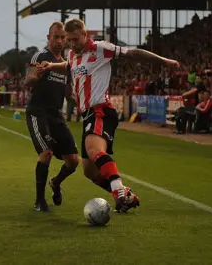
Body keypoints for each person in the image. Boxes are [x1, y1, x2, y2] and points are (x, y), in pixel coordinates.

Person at [37, 19, 179, 213]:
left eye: (75, 39)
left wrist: (164, 61)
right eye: (69, 40)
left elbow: (133, 53)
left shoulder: (101, 48)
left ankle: (119, 193)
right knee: (90, 171)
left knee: (94, 150)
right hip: (87, 115)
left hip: (100, 110)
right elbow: (68, 65)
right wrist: (50, 67)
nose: (72, 44)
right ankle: (126, 194)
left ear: (85, 35)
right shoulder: (72, 54)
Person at [25, 22, 80, 212]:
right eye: (56, 37)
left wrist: (82, 104)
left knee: (73, 160)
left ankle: (55, 182)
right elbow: (28, 81)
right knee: (46, 153)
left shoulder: (66, 65)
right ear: (49, 37)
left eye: (62, 37)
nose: (59, 41)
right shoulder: (40, 57)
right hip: (38, 112)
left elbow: (68, 94)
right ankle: (39, 201)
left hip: (56, 115)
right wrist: (37, 76)